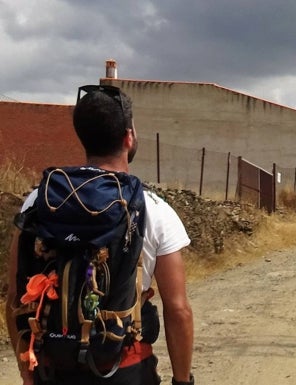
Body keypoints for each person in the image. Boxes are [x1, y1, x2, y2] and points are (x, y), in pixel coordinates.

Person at [5, 85, 194, 385]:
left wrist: (29, 376)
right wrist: (183, 381)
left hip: (52, 370)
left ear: (83, 136)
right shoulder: (153, 209)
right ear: (128, 137)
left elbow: (16, 296)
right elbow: (178, 310)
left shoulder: (39, 200)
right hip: (125, 369)